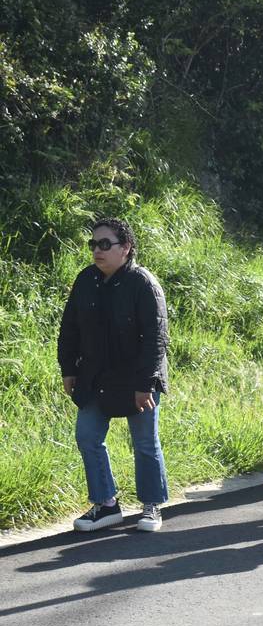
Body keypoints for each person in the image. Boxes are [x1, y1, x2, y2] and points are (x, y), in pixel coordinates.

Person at [59, 218, 170, 532]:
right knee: (87, 437)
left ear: (126, 248)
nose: (97, 250)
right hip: (95, 375)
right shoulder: (86, 279)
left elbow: (156, 338)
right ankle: (106, 504)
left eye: (105, 244)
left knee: (144, 443)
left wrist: (145, 383)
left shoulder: (143, 283)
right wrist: (68, 369)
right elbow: (69, 328)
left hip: (138, 377)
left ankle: (151, 506)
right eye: (93, 244)